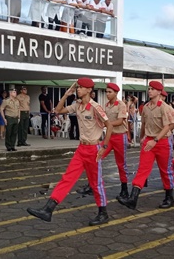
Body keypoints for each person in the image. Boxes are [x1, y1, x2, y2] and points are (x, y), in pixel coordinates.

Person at [27, 78, 113, 226]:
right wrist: (66, 95)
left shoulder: (95, 107)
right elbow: (58, 110)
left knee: (96, 183)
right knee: (67, 178)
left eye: (80, 88)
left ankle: (103, 213)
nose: (78, 89)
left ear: (88, 90)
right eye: (77, 87)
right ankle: (48, 209)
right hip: (81, 149)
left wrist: (104, 147)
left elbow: (109, 126)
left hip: (94, 149)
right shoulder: (77, 105)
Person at [117, 81, 174, 211]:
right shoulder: (146, 107)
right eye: (149, 88)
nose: (150, 91)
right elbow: (144, 124)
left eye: (153, 89)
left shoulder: (165, 107)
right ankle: (133, 199)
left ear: (159, 92)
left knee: (165, 171)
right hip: (149, 141)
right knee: (142, 169)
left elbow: (169, 126)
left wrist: (155, 140)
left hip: (162, 142)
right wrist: (142, 138)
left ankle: (169, 197)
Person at [102, 83, 130, 199]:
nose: (107, 94)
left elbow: (119, 121)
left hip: (119, 136)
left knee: (121, 164)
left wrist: (106, 124)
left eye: (110, 92)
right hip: (109, 137)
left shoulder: (121, 105)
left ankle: (125, 189)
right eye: (106, 92)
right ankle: (92, 184)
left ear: (116, 93)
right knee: (97, 157)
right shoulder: (107, 105)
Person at [0, 87, 20, 152]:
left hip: (15, 117)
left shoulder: (17, 101)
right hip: (9, 117)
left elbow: (19, 109)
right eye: (14, 92)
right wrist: (4, 118)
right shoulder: (6, 101)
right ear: (10, 93)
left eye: (15, 92)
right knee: (9, 132)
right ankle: (8, 146)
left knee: (14, 132)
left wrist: (19, 117)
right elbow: (1, 109)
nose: (15, 93)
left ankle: (12, 145)